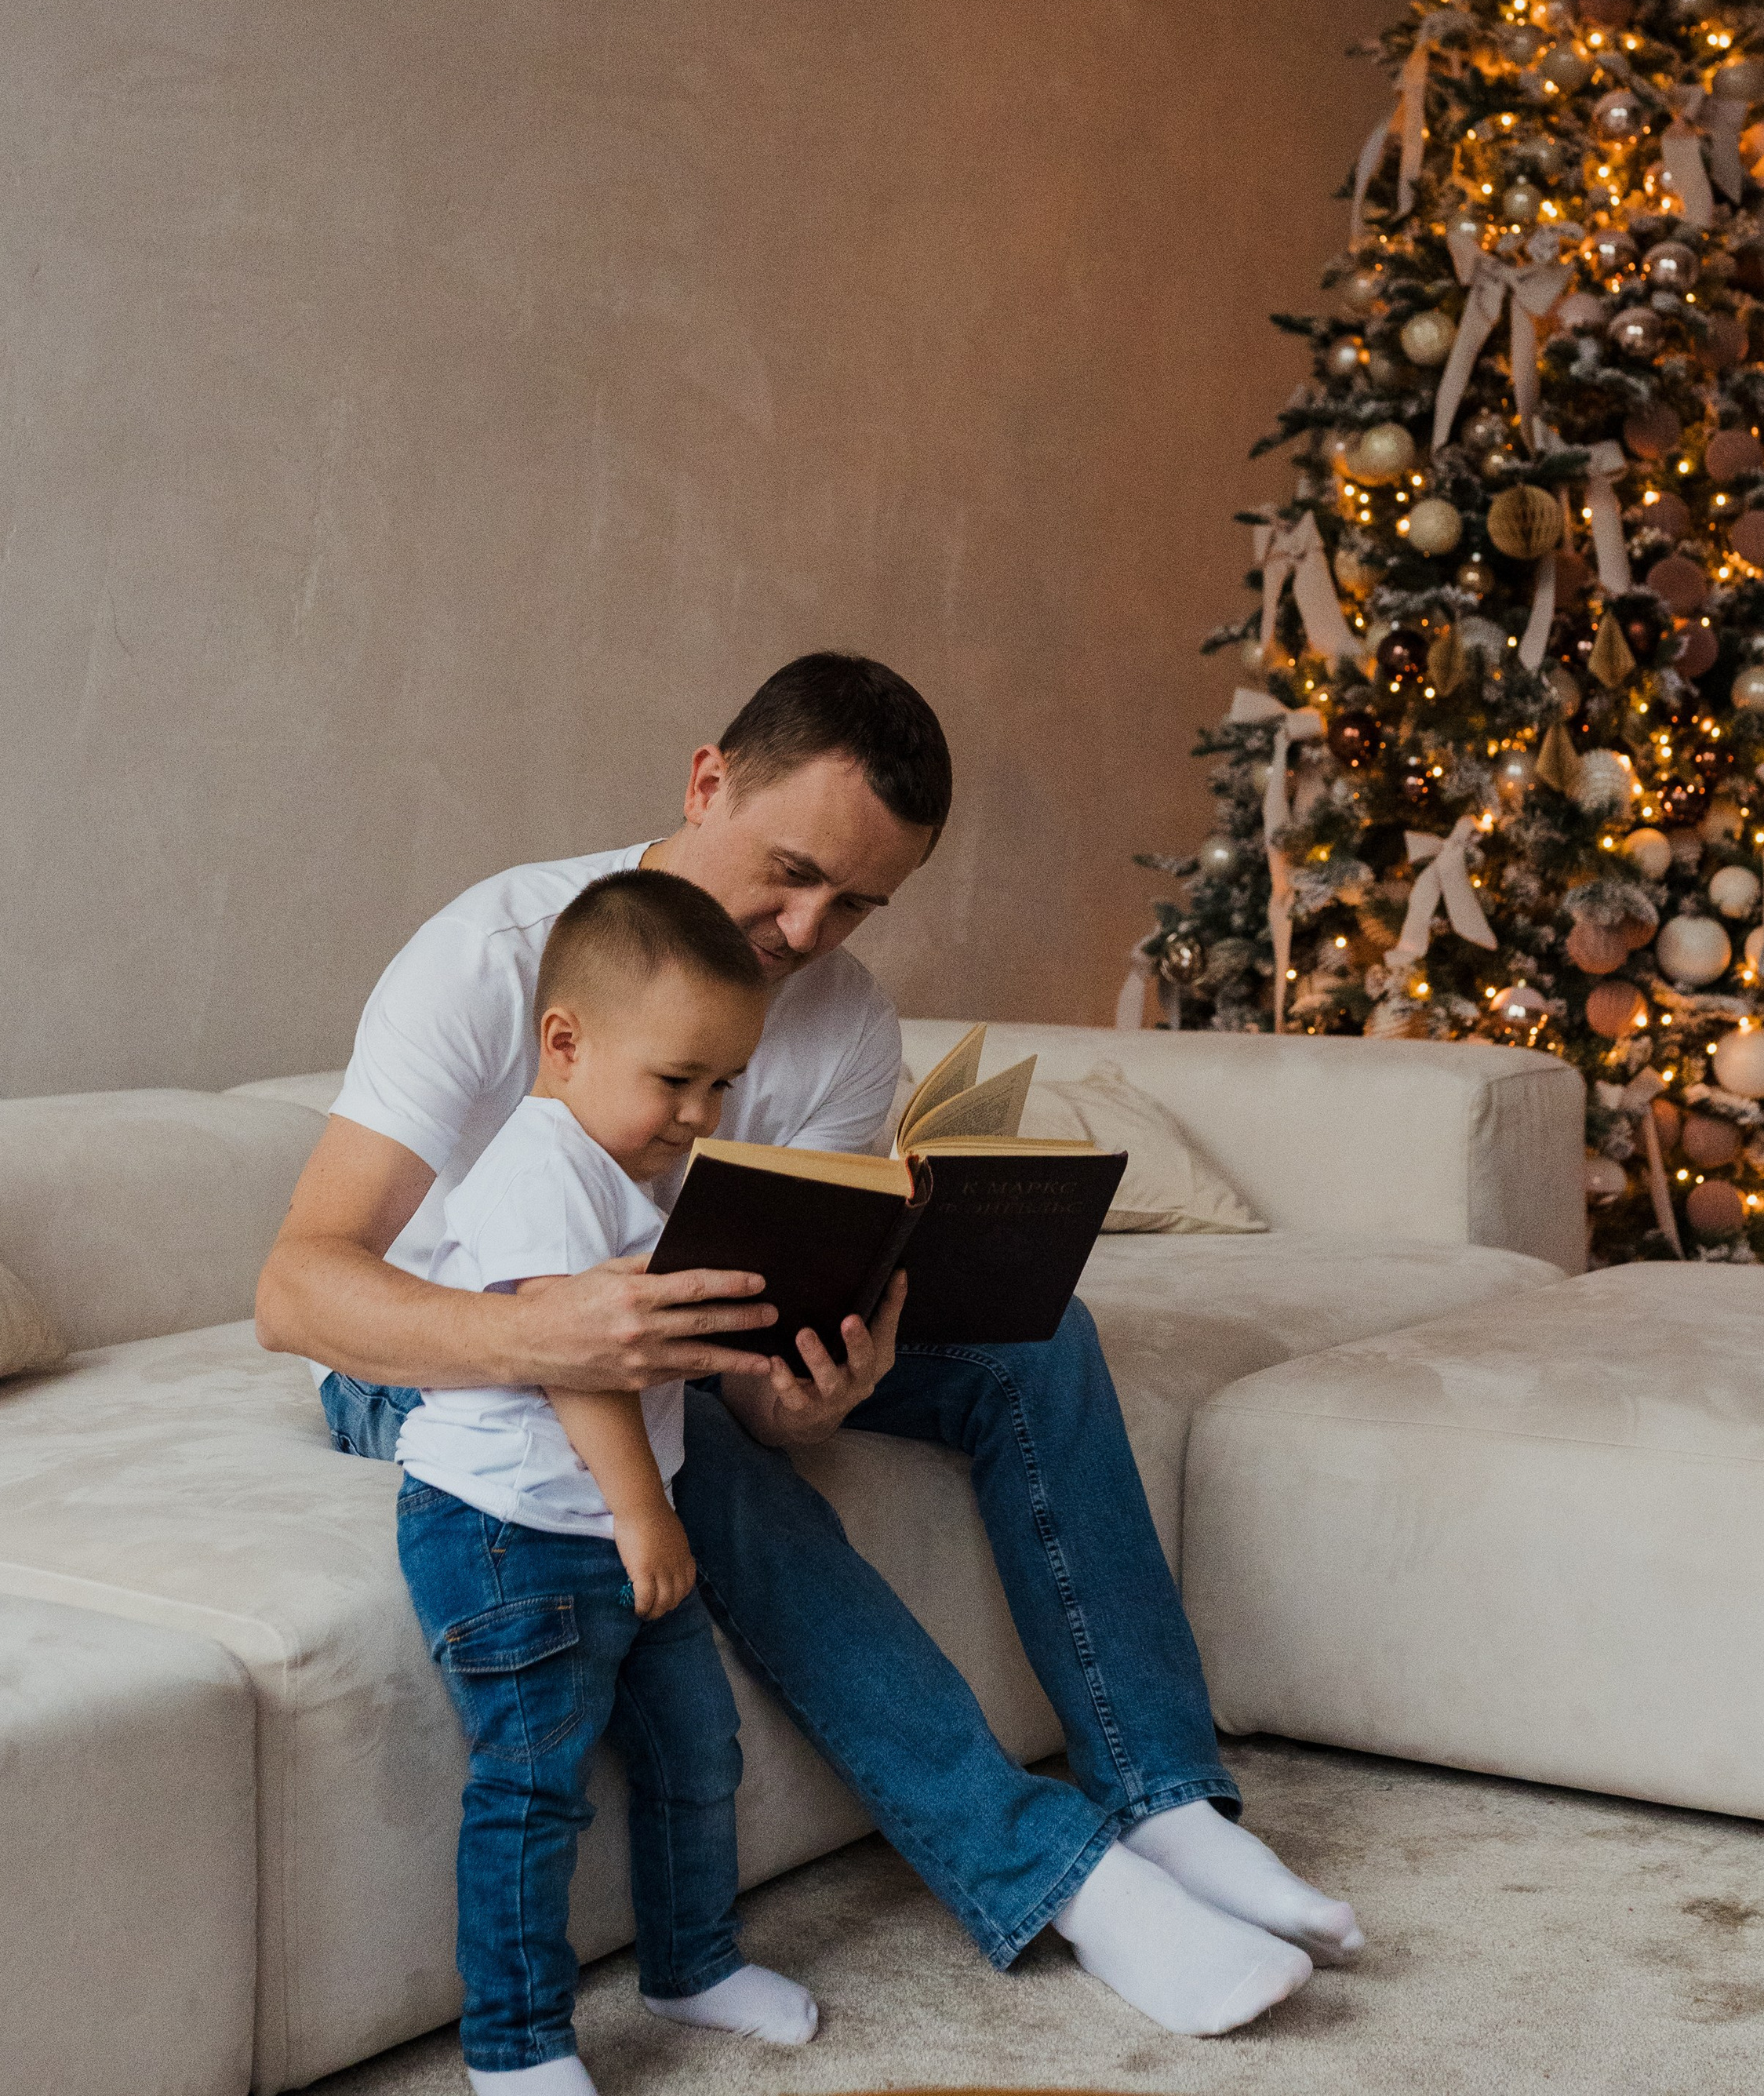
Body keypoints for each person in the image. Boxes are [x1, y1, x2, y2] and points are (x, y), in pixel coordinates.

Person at [258, 653, 1362, 2040]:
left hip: (679, 1341)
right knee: (688, 1444)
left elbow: (775, 1338)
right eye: (789, 872)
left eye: (856, 903)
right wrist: (543, 1328)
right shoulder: (504, 952)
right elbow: (298, 1290)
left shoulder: (844, 1019)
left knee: (1037, 1336)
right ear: (708, 780)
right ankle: (1066, 1879)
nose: (806, 927)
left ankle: (1168, 1802)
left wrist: (810, 1398)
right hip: (429, 1359)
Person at [395, 868, 818, 2096]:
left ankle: (693, 1961)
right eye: (675, 1080)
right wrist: (646, 1515)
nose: (699, 1111)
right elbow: (578, 1367)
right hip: (508, 1528)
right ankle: (517, 2047)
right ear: (565, 1044)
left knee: (697, 1751)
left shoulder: (647, 1171)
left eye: (722, 1082)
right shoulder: (537, 1166)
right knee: (533, 1786)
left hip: (617, 1523)